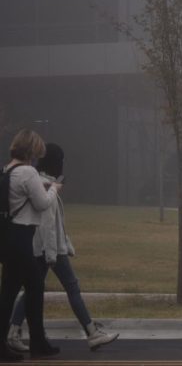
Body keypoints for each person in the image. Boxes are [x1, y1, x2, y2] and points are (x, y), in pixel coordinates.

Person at [7, 143, 118, 352]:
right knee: (71, 287)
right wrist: (53, 254)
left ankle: (13, 331)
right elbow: (48, 226)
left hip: (45, 249)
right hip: (49, 251)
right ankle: (92, 332)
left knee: (31, 291)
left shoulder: (41, 183)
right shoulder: (47, 188)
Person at [0, 129, 63, 361]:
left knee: (9, 291)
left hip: (8, 238)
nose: (39, 156)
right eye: (37, 152)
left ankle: (30, 341)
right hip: (22, 237)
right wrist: (54, 190)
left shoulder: (8, 169)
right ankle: (37, 343)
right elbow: (41, 204)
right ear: (32, 151)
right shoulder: (28, 172)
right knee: (35, 287)